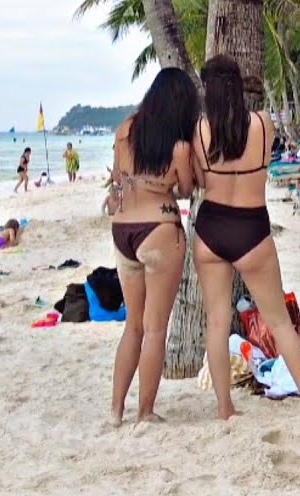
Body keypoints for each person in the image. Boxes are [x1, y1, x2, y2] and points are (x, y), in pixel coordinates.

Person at [192, 56, 300, 418]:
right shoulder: (262, 124)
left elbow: (198, 181)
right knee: (279, 321)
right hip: (251, 226)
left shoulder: (199, 131)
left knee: (216, 322)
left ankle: (224, 409)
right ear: (237, 86)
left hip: (211, 226)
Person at [107, 67, 199, 427]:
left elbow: (117, 179)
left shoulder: (124, 131)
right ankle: (144, 412)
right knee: (156, 327)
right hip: (159, 228)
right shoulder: (178, 146)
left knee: (133, 326)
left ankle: (115, 411)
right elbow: (186, 190)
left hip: (122, 229)